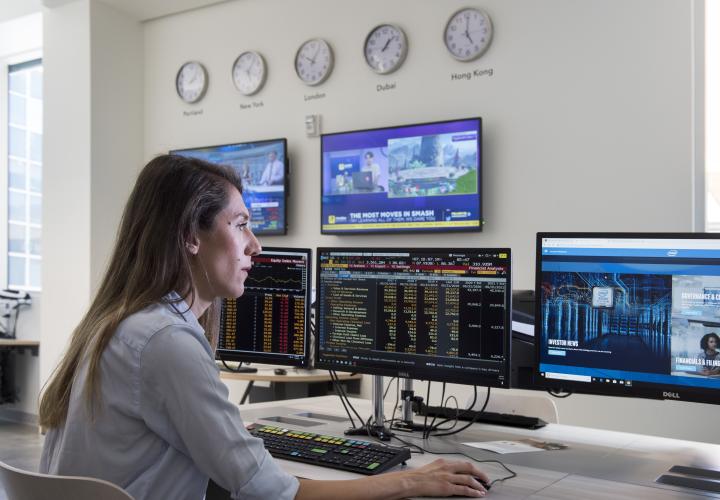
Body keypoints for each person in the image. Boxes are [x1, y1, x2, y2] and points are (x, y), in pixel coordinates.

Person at [38, 154, 490, 500]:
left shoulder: (118, 322)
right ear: (189, 236)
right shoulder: (165, 340)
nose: (255, 245)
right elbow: (275, 492)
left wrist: (228, 439)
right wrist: (410, 481)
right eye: (240, 225)